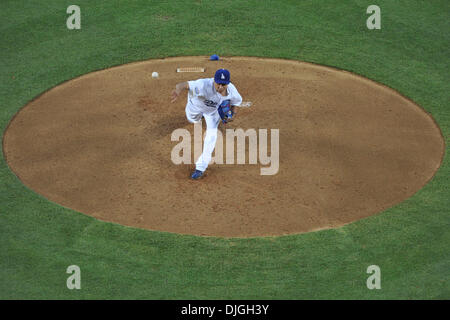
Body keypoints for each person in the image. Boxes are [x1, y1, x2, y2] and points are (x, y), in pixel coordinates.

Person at [171, 69, 243, 179]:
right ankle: (197, 119)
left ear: (228, 83)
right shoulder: (202, 85)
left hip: (212, 112)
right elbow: (184, 84)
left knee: (212, 135)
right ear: (214, 80)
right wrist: (177, 90)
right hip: (195, 106)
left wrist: (232, 116)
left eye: (223, 84)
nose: (220, 86)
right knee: (193, 120)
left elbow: (236, 103)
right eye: (218, 83)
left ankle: (201, 167)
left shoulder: (232, 91)